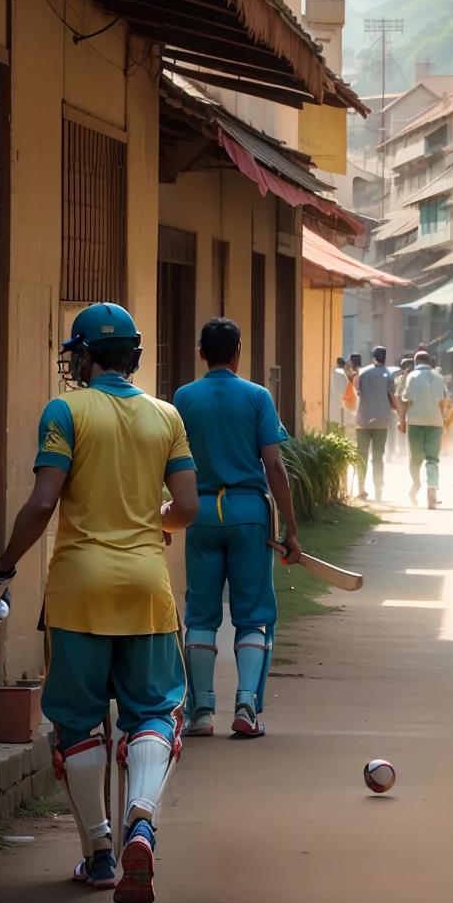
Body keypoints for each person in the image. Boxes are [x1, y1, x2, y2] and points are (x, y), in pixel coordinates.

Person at [0, 303, 199, 903]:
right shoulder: (166, 415)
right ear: (134, 356)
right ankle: (143, 823)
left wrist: (1, 567)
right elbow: (186, 507)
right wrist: (154, 524)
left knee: (76, 723)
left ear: (83, 357)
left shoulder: (64, 410)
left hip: (78, 591)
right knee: (153, 712)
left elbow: (43, 503)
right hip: (148, 591)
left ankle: (100, 853)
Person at [173, 316, 303, 742]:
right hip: (249, 514)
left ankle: (200, 712)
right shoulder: (257, 396)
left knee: (202, 614)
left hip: (201, 512)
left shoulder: (183, 398)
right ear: (238, 353)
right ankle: (246, 705)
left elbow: (173, 464)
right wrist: (291, 529)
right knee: (253, 614)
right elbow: (274, 465)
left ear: (201, 354)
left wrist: (168, 515)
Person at [399, 350, 448, 507]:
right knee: (432, 459)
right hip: (436, 422)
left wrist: (401, 420)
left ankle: (416, 485)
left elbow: (406, 398)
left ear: (416, 361)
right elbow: (444, 401)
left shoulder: (412, 377)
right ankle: (432, 489)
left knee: (416, 457)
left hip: (415, 422)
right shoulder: (439, 378)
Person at [354, 345, 399, 502]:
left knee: (362, 455)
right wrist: (396, 409)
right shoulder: (388, 374)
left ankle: (361, 488)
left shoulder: (363, 373)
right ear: (385, 357)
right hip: (381, 421)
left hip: (363, 420)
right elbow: (392, 397)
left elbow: (357, 391)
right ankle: (378, 488)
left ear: (373, 357)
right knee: (378, 456)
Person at [329, 356, 349, 430]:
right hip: (337, 399)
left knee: (338, 420)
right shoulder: (337, 373)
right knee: (336, 420)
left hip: (338, 399)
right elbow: (337, 387)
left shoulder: (336, 372)